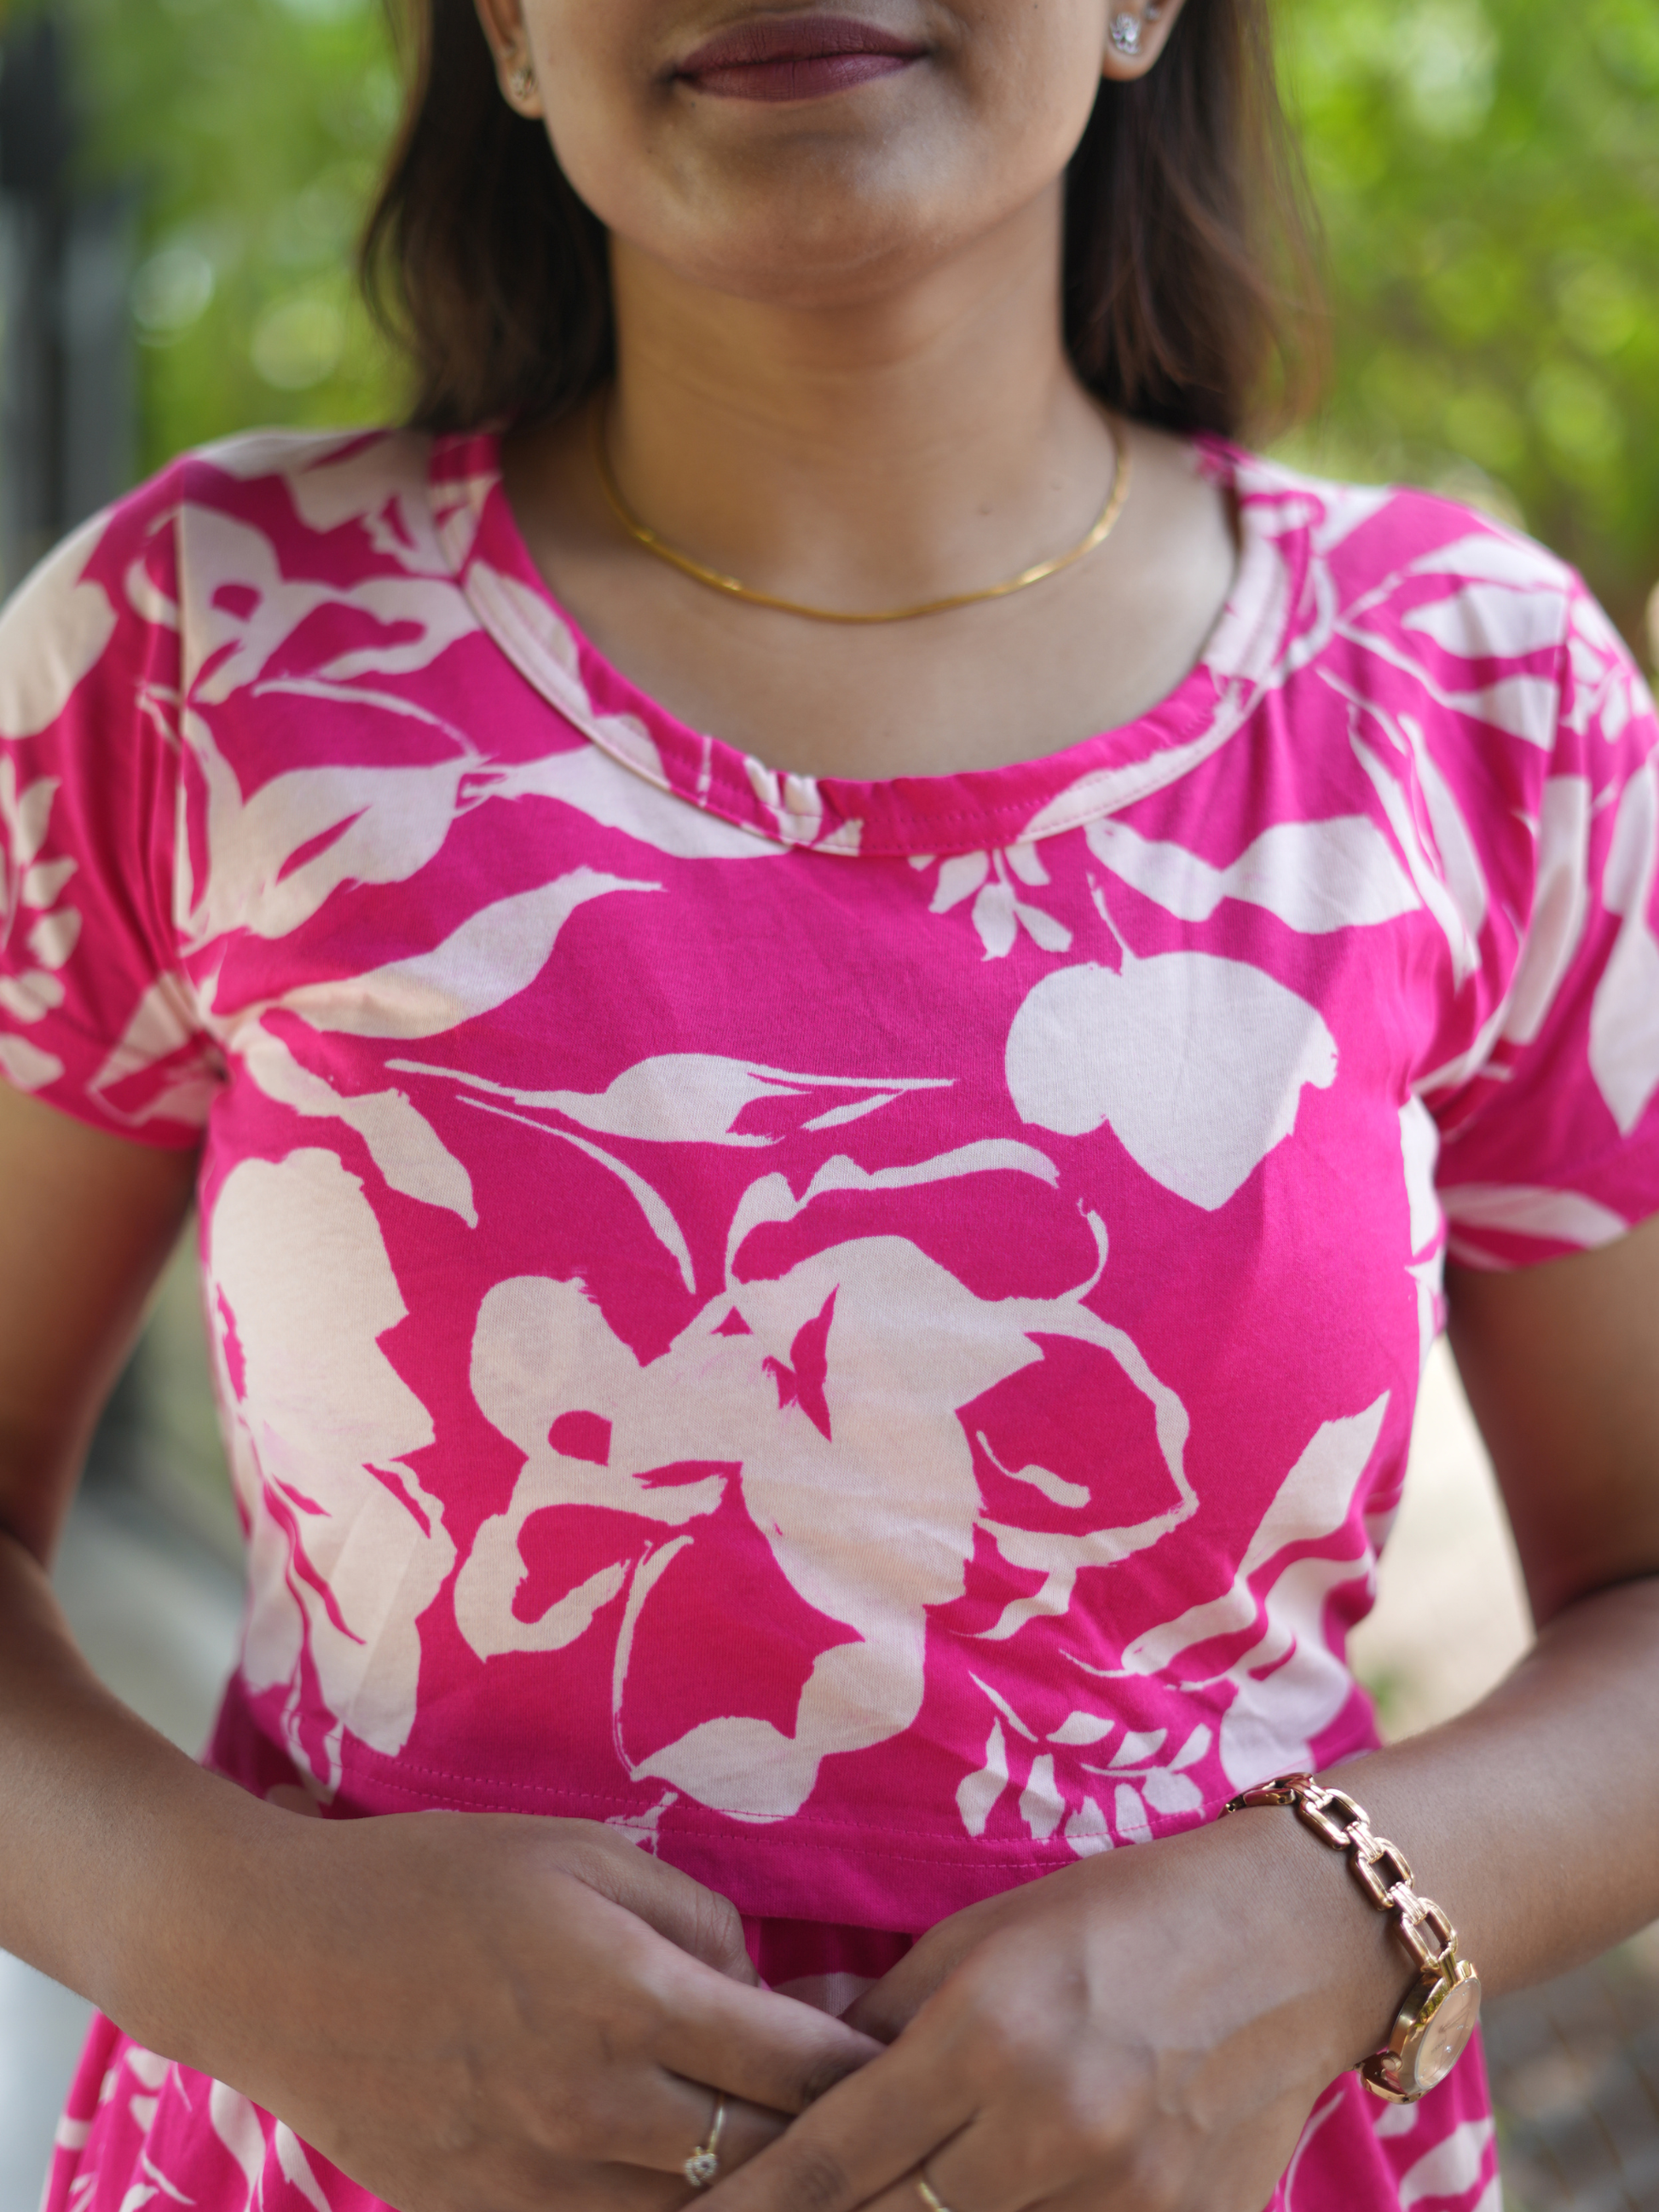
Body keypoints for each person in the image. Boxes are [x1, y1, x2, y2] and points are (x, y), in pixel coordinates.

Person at [1, 0, 1656, 2206]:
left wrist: (1317, 1915)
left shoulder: (1476, 701)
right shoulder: (194, 655)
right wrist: (244, 1948)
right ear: (504, 23)